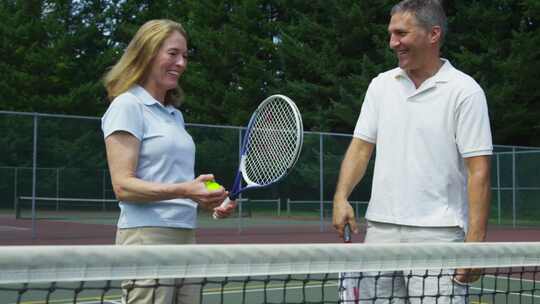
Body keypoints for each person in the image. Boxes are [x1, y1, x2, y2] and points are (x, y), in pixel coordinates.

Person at [332, 0, 492, 303]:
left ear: (433, 34)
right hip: (379, 233)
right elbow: (361, 148)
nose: (393, 42)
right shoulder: (381, 85)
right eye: (391, 34)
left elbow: (478, 171)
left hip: (439, 237)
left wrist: (475, 246)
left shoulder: (465, 91)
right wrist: (341, 197)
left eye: (401, 33)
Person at [101, 19, 236, 304]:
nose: (182, 63)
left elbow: (175, 180)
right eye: (173, 53)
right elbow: (123, 187)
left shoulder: (175, 115)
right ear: (147, 53)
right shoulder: (127, 106)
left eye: (185, 55)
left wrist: (209, 197)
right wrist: (186, 190)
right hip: (146, 237)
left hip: (185, 235)